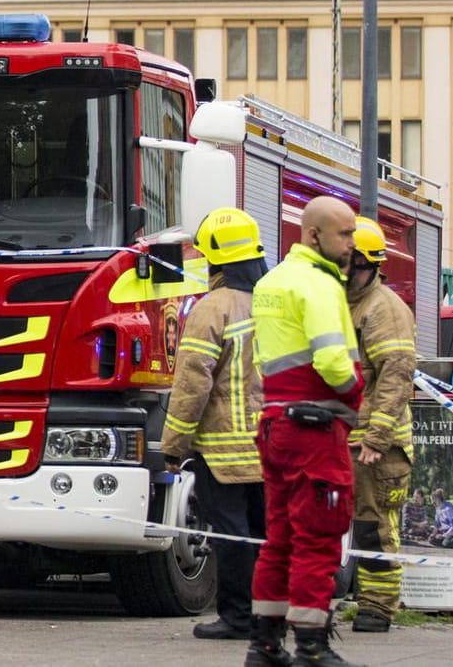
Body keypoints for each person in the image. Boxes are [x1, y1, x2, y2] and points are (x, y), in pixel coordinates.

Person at [246, 195, 364, 667]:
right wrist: (354, 389)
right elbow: (333, 360)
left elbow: (263, 359)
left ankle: (265, 645)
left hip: (277, 425)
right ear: (312, 235)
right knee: (319, 536)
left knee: (280, 537)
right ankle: (312, 648)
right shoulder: (319, 285)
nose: (352, 245)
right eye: (345, 234)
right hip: (316, 428)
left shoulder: (272, 281)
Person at [161, 207, 269, 642]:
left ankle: (236, 617)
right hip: (271, 445)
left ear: (215, 260)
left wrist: (173, 444)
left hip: (223, 452)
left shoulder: (212, 309)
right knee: (265, 535)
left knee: (231, 536)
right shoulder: (272, 303)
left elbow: (191, 383)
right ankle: (267, 615)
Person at [344, 216, 416, 634]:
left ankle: (378, 606)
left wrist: (376, 436)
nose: (344, 271)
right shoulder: (346, 302)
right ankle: (362, 598)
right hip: (347, 436)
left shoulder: (383, 308)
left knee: (374, 526)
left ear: (369, 264)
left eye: (351, 263)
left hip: (377, 445)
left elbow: (395, 375)